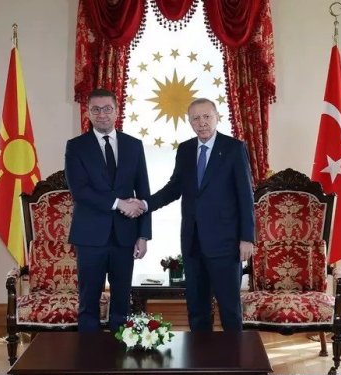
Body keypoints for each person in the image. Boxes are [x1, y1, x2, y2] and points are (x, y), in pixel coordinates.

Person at [141, 98, 255, 331]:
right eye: (195, 118)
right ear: (190, 121)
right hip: (193, 242)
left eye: (206, 117)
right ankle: (200, 352)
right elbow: (174, 188)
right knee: (196, 307)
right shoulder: (185, 150)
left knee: (229, 308)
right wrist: (144, 204)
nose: (201, 122)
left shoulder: (234, 148)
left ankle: (234, 353)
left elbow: (246, 196)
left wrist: (247, 238)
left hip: (225, 243)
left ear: (217, 117)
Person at [65, 88, 149, 333]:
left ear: (116, 110)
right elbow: (79, 191)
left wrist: (143, 235)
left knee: (122, 303)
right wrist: (119, 203)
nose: (102, 114)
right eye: (96, 109)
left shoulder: (134, 145)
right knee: (88, 304)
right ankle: (89, 354)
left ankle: (119, 353)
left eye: (107, 109)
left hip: (125, 236)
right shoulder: (76, 147)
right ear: (88, 113)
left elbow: (144, 192)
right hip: (90, 237)